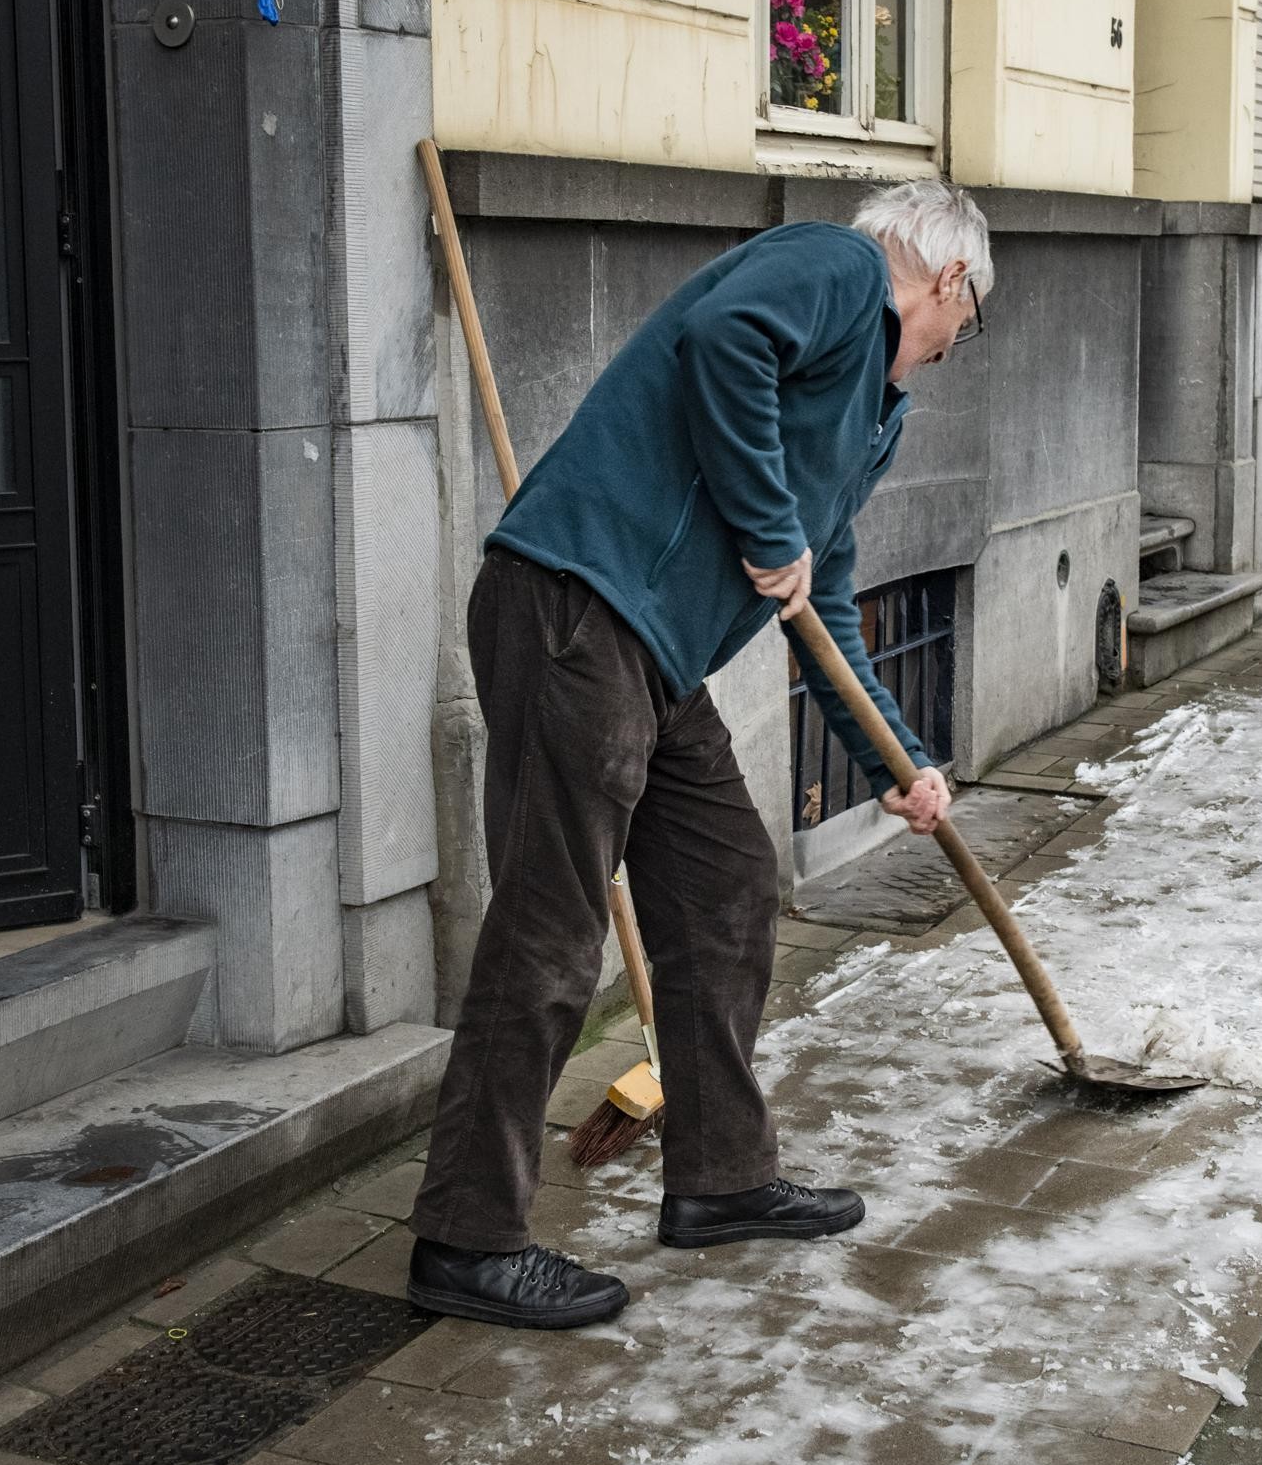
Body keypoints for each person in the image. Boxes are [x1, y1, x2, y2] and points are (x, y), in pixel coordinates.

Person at [404, 182, 990, 1330]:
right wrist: (771, 529)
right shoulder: (836, 266)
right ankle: (464, 1240)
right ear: (947, 282)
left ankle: (720, 1177)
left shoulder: (871, 413)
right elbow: (725, 341)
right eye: (954, 332)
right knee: (549, 928)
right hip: (576, 605)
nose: (942, 351)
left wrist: (898, 761)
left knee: (725, 884)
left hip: (653, 655)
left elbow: (826, 606)